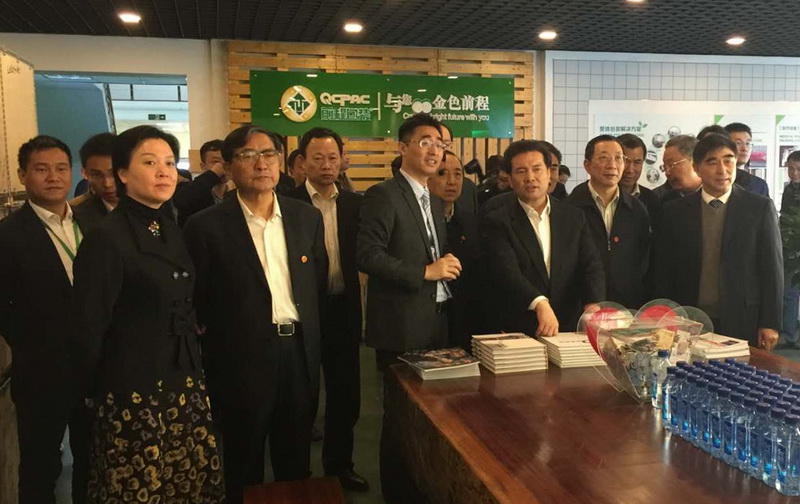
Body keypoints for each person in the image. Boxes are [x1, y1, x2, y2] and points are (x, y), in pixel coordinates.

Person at [70, 125, 225, 503]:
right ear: (123, 173)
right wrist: (92, 393)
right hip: (134, 389)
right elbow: (89, 326)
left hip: (182, 377)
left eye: (169, 163)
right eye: (150, 162)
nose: (164, 172)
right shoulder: (107, 237)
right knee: (141, 485)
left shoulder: (168, 225)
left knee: (185, 481)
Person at [184, 125, 327, 504]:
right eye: (248, 155)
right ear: (229, 166)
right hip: (239, 359)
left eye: (269, 154)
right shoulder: (204, 226)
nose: (261, 163)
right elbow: (198, 298)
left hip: (297, 354)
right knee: (242, 459)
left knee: (295, 457)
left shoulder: (305, 217)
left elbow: (315, 285)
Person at [0, 135, 91, 504]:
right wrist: (32, 343)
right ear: (23, 175)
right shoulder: (8, 234)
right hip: (42, 372)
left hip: (95, 369)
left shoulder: (92, 224)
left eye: (60, 168)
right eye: (41, 169)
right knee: (40, 466)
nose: (53, 177)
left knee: (93, 461)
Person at [286, 127, 368, 491]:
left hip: (343, 309)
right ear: (302, 162)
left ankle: (339, 467)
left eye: (333, 158)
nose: (326, 165)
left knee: (345, 396)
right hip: (303, 314)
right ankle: (297, 472)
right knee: (301, 397)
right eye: (317, 158)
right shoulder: (286, 204)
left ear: (342, 161)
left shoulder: (354, 204)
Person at [654, 133, 782, 349]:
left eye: (728, 160)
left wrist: (770, 323)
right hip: (689, 317)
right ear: (697, 168)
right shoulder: (675, 211)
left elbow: (772, 269)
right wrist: (664, 315)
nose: (722, 170)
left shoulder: (759, 208)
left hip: (742, 317)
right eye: (712, 162)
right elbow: (664, 270)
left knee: (737, 370)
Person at [357, 112, 460, 370]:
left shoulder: (433, 200)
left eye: (440, 144)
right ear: (402, 147)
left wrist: (446, 261)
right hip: (401, 325)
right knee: (401, 396)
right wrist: (425, 271)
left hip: (438, 318)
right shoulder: (383, 195)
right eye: (425, 142)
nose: (434, 151)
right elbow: (368, 256)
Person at [482, 140, 605, 337]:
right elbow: (507, 273)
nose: (530, 177)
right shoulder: (497, 221)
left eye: (537, 169)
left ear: (549, 173)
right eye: (521, 171)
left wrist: (592, 304)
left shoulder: (573, 217)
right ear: (510, 179)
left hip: (568, 326)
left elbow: (590, 264)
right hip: (520, 327)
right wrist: (539, 303)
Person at [564, 135, 650, 310]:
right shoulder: (570, 208)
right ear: (587, 165)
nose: (612, 165)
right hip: (581, 306)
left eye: (618, 158)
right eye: (603, 158)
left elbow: (643, 259)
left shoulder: (637, 209)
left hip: (625, 307)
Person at [427, 150, 481, 349]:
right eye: (442, 173)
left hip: (463, 315)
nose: (452, 181)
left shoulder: (471, 220)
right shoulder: (418, 221)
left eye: (458, 174)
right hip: (426, 315)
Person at [173, 139, 229, 225]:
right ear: (203, 166)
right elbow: (180, 201)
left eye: (226, 161)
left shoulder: (234, 194)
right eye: (215, 161)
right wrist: (213, 174)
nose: (222, 166)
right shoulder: (193, 192)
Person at [71, 132, 118, 234]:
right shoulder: (76, 216)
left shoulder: (148, 204)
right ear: (85, 173)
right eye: (97, 175)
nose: (107, 184)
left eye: (113, 174)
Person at [779, 150, 800, 348]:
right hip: (790, 247)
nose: (794, 173)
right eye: (791, 168)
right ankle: (789, 334)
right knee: (789, 293)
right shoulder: (788, 189)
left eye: (798, 169)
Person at [617, 133, 660, 224]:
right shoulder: (602, 197)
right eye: (625, 161)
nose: (630, 170)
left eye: (637, 162)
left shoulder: (652, 199)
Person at [724, 122, 770, 197]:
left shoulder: (759, 185)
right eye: (738, 143)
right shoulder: (718, 180)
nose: (745, 148)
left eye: (748, 143)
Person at [652, 134, 701, 204]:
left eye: (671, 165)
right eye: (665, 167)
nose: (667, 173)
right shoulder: (659, 200)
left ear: (695, 161)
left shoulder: (714, 193)